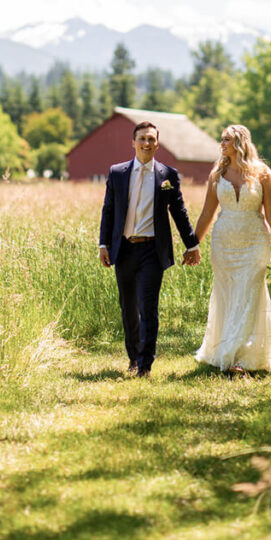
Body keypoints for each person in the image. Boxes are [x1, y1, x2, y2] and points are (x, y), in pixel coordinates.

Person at [99, 120, 201, 377]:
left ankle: (145, 365)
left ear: (157, 143)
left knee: (148, 307)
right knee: (128, 307)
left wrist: (192, 244)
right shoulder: (118, 173)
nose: (146, 143)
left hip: (152, 252)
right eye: (142, 138)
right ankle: (133, 358)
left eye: (151, 139)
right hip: (124, 249)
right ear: (133, 142)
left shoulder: (168, 176)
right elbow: (108, 210)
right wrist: (103, 244)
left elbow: (179, 212)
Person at [194, 124, 271, 373]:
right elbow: (207, 213)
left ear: (240, 142)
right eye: (221, 139)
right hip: (224, 243)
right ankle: (225, 347)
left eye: (226, 139)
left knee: (249, 292)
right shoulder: (217, 174)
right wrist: (193, 243)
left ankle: (240, 357)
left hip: (255, 242)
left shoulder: (263, 173)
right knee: (228, 294)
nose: (221, 143)